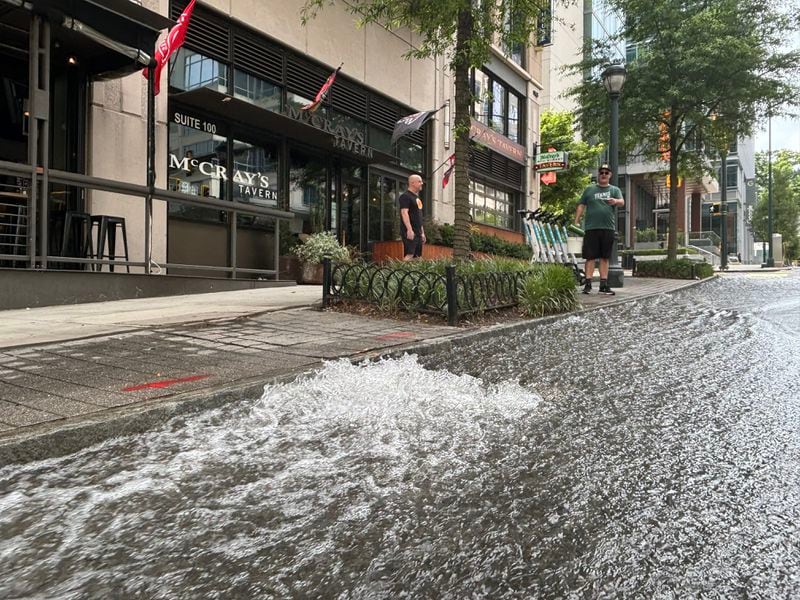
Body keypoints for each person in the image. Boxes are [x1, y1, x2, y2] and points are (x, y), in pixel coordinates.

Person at [574, 163, 624, 296]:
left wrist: (615, 201)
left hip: (607, 228)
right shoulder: (589, 189)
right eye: (601, 172)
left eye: (606, 173)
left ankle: (603, 285)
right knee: (590, 257)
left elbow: (622, 202)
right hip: (591, 228)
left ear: (610, 175)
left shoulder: (614, 190)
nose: (603, 174)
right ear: (598, 174)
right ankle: (588, 284)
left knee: (604, 257)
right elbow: (581, 205)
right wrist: (576, 221)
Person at [398, 173, 426, 260]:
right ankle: (399, 272)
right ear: (412, 183)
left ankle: (414, 273)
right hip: (410, 231)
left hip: (418, 232)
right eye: (419, 181)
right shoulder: (405, 196)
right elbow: (404, 213)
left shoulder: (417, 198)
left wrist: (422, 232)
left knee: (418, 257)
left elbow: (419, 217)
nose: (422, 183)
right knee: (410, 254)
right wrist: (409, 230)